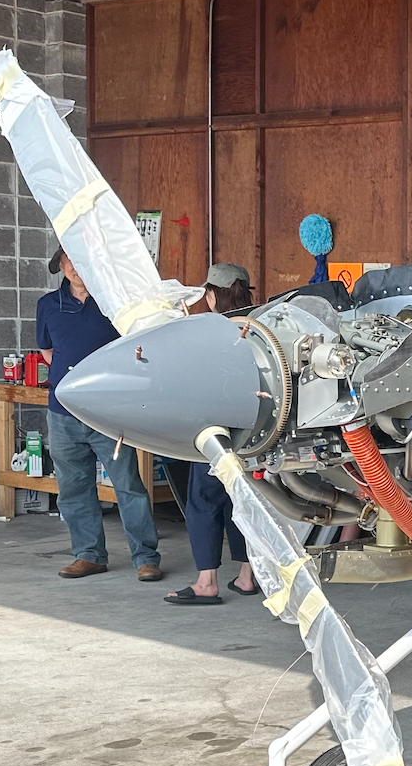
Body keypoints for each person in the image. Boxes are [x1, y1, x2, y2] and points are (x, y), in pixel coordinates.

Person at [36, 248, 163, 581]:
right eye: (71, 261)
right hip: (62, 413)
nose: (78, 268)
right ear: (60, 266)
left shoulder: (113, 304)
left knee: (128, 485)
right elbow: (47, 351)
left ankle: (146, 557)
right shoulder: (48, 305)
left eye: (84, 260)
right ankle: (89, 554)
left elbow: (134, 344)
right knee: (73, 487)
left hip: (108, 412)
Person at [165, 263, 259, 605]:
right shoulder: (258, 327)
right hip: (253, 432)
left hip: (214, 430)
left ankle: (207, 582)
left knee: (203, 503)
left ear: (209, 295)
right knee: (241, 501)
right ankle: (248, 575)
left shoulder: (206, 329)